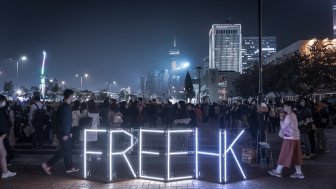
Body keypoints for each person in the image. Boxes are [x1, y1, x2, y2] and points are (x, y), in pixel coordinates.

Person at [42, 89, 79, 174]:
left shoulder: (63, 106)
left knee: (67, 150)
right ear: (70, 96)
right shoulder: (66, 107)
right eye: (73, 96)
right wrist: (66, 133)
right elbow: (66, 121)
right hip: (64, 133)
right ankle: (47, 164)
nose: (74, 97)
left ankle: (69, 167)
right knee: (64, 151)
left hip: (63, 132)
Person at [268, 101, 304, 179]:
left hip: (289, 138)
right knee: (296, 155)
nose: (284, 108)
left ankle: (278, 171)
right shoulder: (293, 115)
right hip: (296, 137)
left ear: (289, 107)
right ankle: (299, 172)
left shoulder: (289, 116)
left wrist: (281, 119)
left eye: (285, 106)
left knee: (285, 154)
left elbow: (284, 126)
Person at [0, 95, 16, 178]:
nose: (4, 102)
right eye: (3, 101)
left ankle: (5, 171)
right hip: (0, 136)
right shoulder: (1, 111)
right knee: (3, 154)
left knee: (3, 153)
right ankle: (5, 172)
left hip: (1, 136)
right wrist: (3, 133)